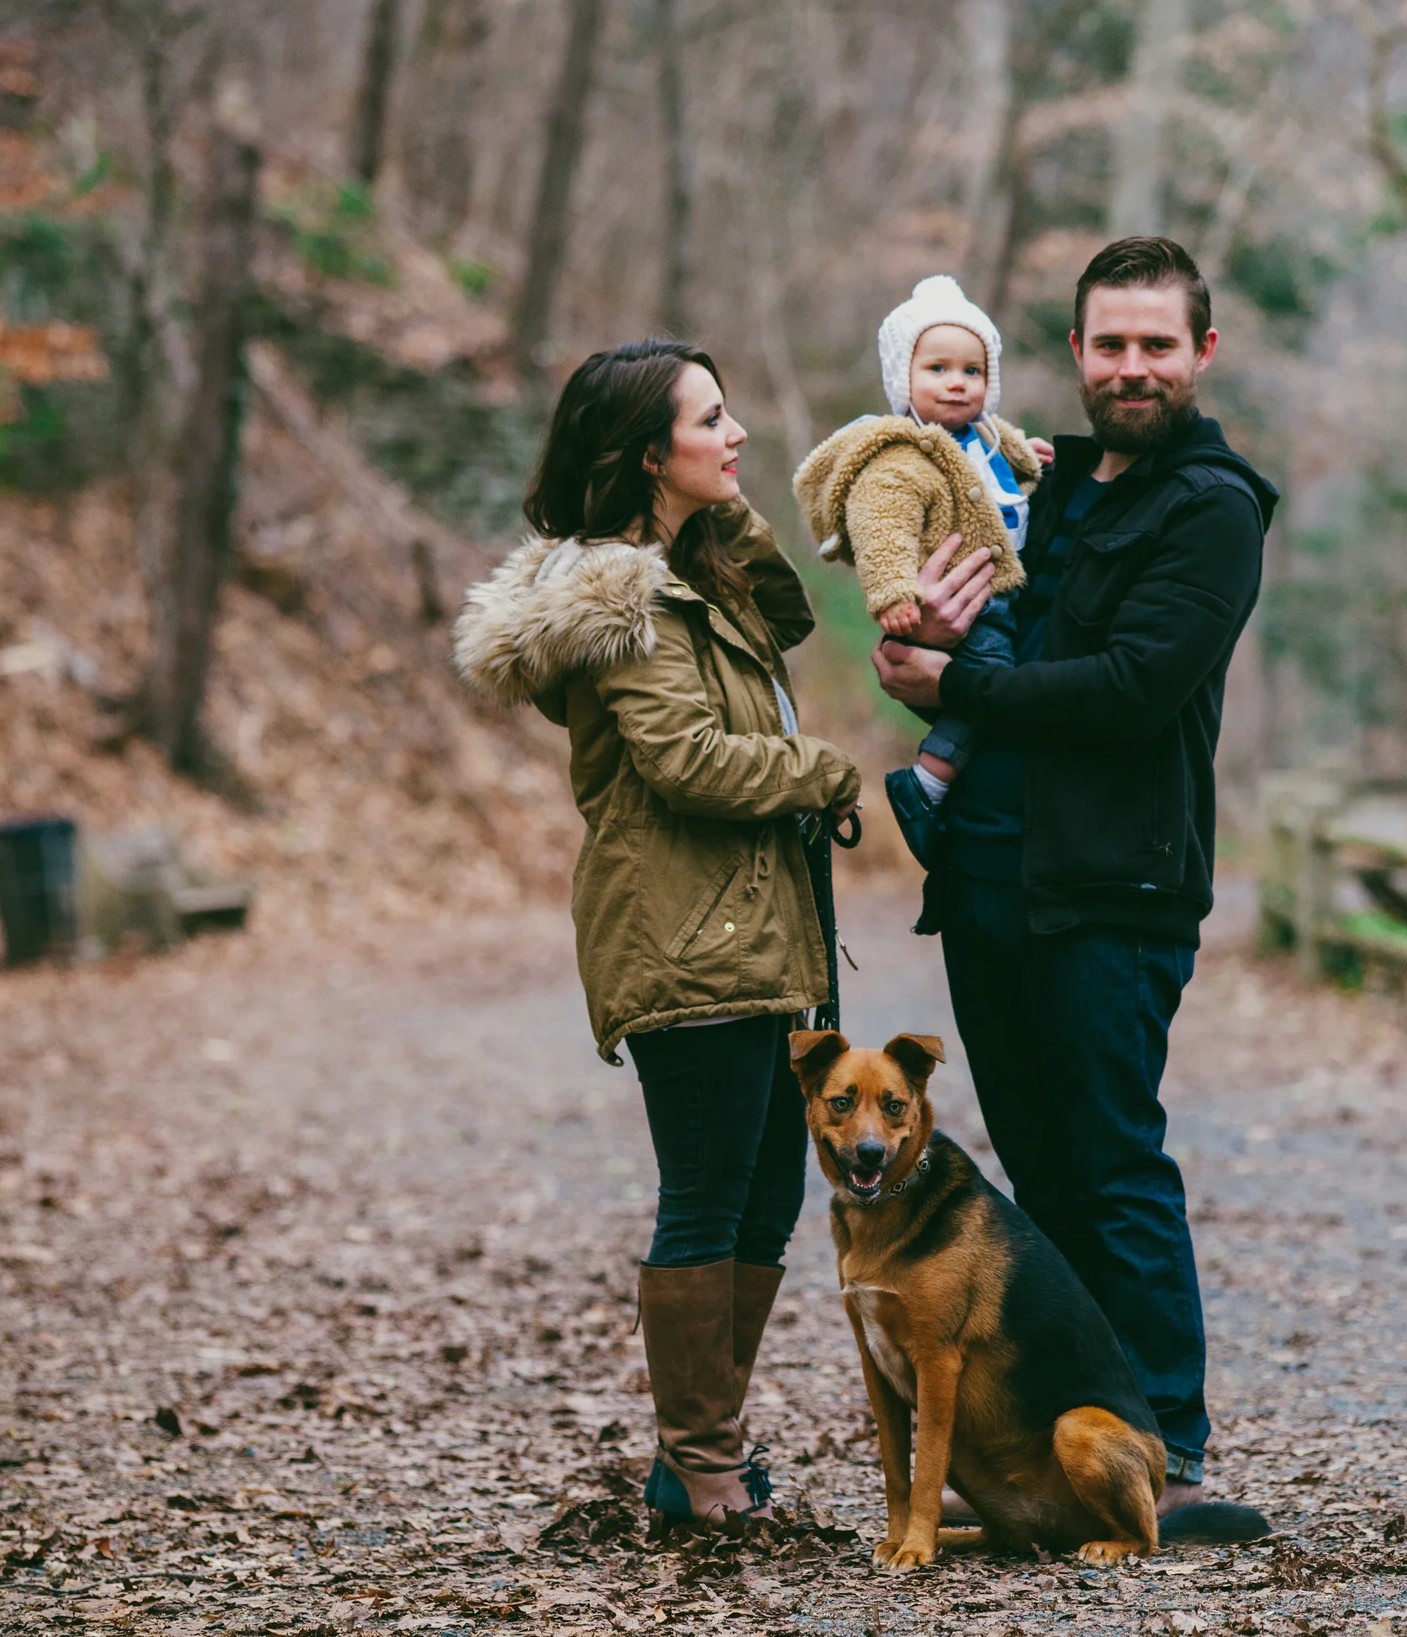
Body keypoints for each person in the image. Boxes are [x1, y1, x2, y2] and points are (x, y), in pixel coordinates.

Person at [871, 237, 1279, 1514]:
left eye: (1157, 343)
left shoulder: (1211, 507)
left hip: (1116, 891)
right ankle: (1070, 1435)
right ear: (1077, 355)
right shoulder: (1043, 482)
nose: (1131, 366)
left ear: (1200, 353)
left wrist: (963, 682)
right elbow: (972, 605)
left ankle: (1176, 1446)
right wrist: (929, 636)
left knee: (1112, 1161)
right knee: (1039, 1172)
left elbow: (1131, 691)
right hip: (994, 880)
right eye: (1109, 343)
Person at [452, 340, 861, 1527]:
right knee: (709, 1190)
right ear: (645, 453)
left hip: (755, 931)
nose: (736, 437)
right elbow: (685, 759)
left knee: (769, 1195)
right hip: (683, 935)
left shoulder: (687, 579)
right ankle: (702, 1461)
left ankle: (703, 1451)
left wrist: (724, 535)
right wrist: (822, 767)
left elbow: (783, 629)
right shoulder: (618, 599)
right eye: (710, 420)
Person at [792, 274, 1050, 868]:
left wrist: (1027, 455)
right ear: (902, 378)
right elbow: (882, 528)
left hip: (995, 593)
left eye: (972, 371)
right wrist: (892, 594)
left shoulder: (982, 438)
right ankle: (927, 784)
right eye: (937, 369)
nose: (957, 383)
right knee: (990, 686)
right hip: (960, 600)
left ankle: (947, 789)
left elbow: (1001, 455)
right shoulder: (900, 457)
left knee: (996, 688)